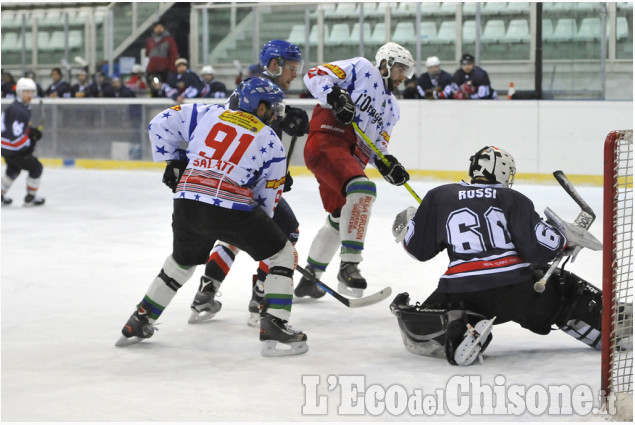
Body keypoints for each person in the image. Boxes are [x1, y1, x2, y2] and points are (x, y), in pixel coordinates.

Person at [116, 76, 308, 357]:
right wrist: (262, 232)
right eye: (273, 108)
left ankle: (140, 319)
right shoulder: (270, 140)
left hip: (187, 201)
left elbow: (158, 123)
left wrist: (175, 161)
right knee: (283, 255)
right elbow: (267, 199)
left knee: (181, 263)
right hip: (231, 209)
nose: (276, 114)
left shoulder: (208, 112)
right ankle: (275, 325)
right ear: (261, 107)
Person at [389, 146, 608, 366]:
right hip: (514, 291)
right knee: (565, 291)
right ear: (501, 170)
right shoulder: (513, 198)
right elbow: (539, 250)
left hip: (458, 291)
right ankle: (617, 326)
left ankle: (462, 327)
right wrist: (562, 238)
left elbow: (419, 250)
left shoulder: (438, 196)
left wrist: (410, 224)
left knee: (427, 313)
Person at [189, 40, 310, 326]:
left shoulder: (257, 90)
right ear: (273, 65)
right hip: (247, 180)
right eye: (291, 68)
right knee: (287, 233)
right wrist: (274, 175)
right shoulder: (261, 94)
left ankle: (206, 293)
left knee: (233, 233)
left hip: (234, 178)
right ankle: (261, 299)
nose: (295, 74)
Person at [297, 42, 413, 298]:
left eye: (407, 71)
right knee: (363, 189)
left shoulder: (393, 107)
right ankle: (349, 265)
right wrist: (335, 96)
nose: (403, 77)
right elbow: (314, 74)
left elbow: (377, 144)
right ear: (386, 64)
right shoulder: (361, 68)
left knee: (340, 218)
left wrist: (386, 163)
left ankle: (310, 277)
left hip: (348, 157)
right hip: (327, 140)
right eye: (400, 70)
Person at [1, 78, 45, 206]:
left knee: (13, 169)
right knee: (36, 167)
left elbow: (16, 129)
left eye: (32, 92)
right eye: (26, 92)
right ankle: (30, 197)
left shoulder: (20, 107)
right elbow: (15, 137)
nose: (30, 95)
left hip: (4, 147)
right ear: (20, 92)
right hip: (12, 148)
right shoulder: (18, 110)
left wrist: (30, 132)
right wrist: (28, 144)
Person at [145, 22, 179, 97]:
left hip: (165, 70)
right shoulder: (150, 40)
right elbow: (147, 54)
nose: (159, 29)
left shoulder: (169, 40)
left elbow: (173, 54)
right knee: (152, 87)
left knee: (165, 88)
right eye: (157, 27)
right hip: (152, 69)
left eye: (160, 27)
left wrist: (172, 69)